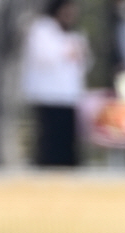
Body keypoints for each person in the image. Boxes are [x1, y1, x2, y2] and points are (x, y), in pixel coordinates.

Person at [20, 0, 91, 166]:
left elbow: (84, 63)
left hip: (69, 95)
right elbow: (42, 55)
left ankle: (68, 167)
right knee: (49, 138)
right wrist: (67, 51)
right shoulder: (42, 29)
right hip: (47, 94)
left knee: (68, 138)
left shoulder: (75, 34)